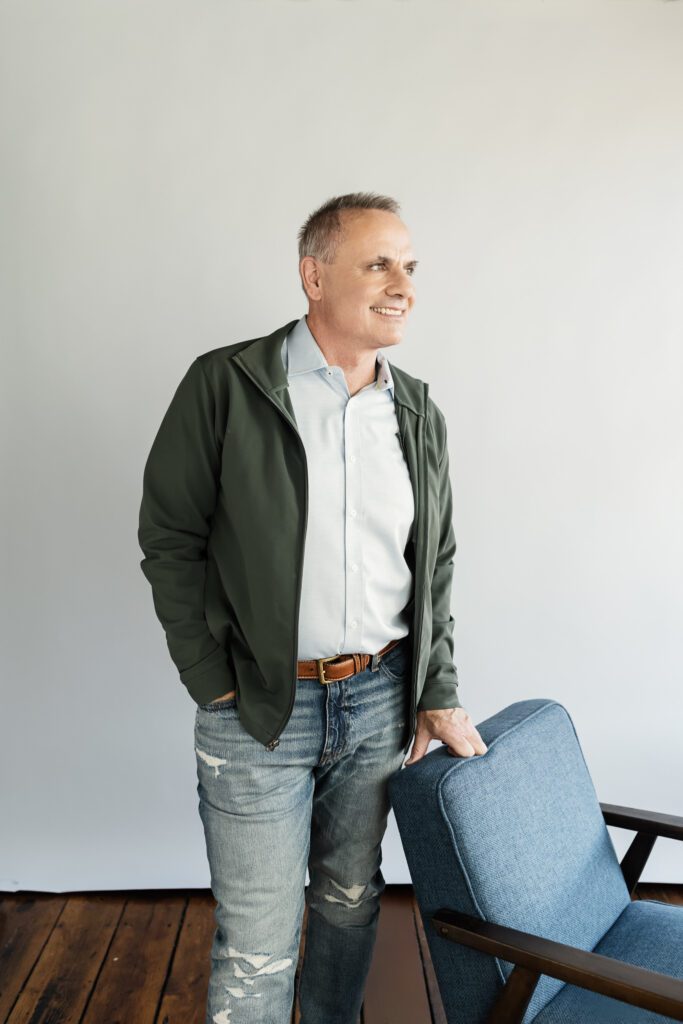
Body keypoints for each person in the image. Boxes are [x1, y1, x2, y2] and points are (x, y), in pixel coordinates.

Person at [137, 191, 487, 1024]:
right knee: (256, 943)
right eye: (378, 264)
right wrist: (208, 676)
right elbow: (170, 535)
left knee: (348, 901)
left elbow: (433, 562)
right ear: (314, 276)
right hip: (256, 707)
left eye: (409, 266)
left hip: (377, 700)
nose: (402, 285)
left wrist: (435, 687)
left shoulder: (415, 410)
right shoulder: (227, 384)